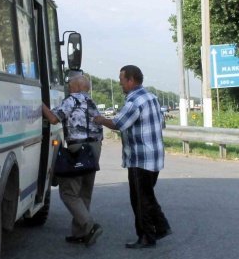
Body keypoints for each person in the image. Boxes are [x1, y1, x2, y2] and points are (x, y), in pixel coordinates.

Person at [94, 65, 170, 249]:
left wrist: (100, 119)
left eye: (121, 80)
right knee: (147, 195)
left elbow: (118, 124)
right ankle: (161, 227)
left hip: (140, 158)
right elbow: (162, 124)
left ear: (131, 80)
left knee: (140, 199)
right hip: (155, 156)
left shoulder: (134, 101)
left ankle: (146, 236)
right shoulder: (152, 97)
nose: (120, 84)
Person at [41, 73, 104, 246]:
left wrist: (40, 105)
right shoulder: (91, 101)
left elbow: (54, 119)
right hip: (95, 148)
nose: (68, 87)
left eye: (70, 84)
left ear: (76, 86)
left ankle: (89, 226)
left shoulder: (72, 100)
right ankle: (80, 233)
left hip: (78, 148)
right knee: (84, 191)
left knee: (68, 191)